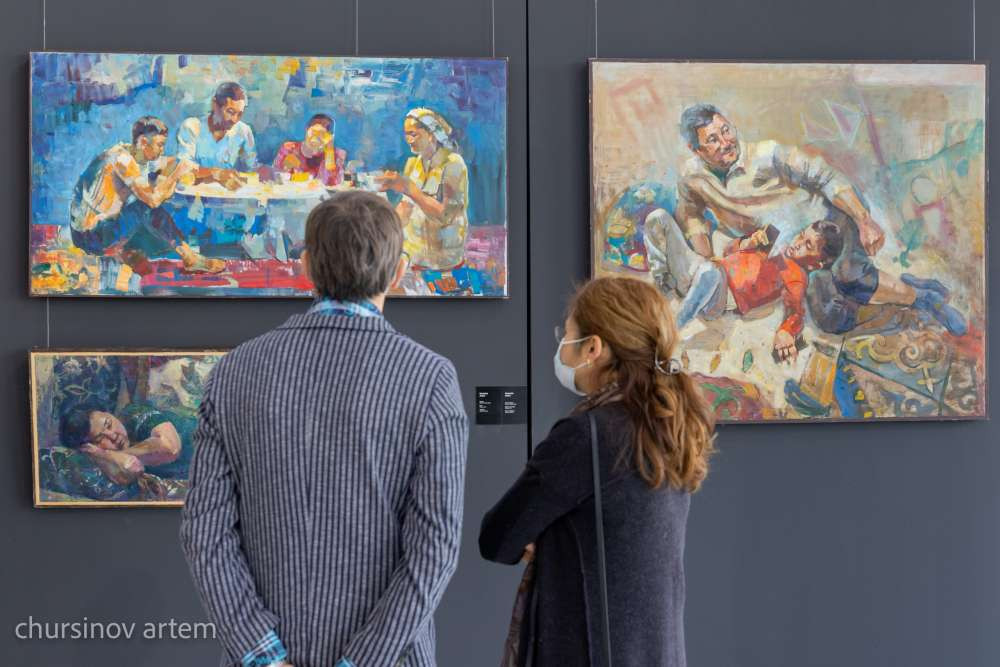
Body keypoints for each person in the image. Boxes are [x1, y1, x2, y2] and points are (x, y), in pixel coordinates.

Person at [180, 191, 468, 667]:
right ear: (399, 272)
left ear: (307, 266)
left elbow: (204, 535)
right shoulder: (430, 379)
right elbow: (435, 550)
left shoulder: (234, 372)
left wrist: (263, 655)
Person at [480, 276, 716, 666]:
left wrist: (541, 536)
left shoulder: (587, 435)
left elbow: (497, 537)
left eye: (567, 334)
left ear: (593, 348)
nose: (562, 346)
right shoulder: (669, 425)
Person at [646, 104, 944, 335]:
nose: (726, 142)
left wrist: (863, 219)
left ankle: (921, 297)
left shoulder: (767, 154)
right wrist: (706, 260)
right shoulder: (691, 176)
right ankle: (900, 286)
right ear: (696, 150)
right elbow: (692, 216)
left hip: (825, 222)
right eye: (713, 139)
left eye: (726, 130)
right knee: (830, 318)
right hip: (790, 246)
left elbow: (826, 176)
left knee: (850, 276)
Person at [69, 116, 224, 274]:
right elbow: (153, 201)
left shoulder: (138, 156)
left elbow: (177, 163)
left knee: (150, 199)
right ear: (143, 142)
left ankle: (187, 256)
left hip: (99, 228)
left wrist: (216, 173)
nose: (162, 150)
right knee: (145, 206)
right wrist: (175, 175)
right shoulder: (121, 159)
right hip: (89, 237)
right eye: (160, 145)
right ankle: (189, 257)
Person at [377, 108, 469, 271]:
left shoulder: (453, 164)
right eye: (406, 134)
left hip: (442, 259)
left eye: (413, 134)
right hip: (412, 255)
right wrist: (383, 229)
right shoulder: (413, 164)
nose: (408, 140)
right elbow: (405, 208)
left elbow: (444, 215)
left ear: (431, 134)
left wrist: (409, 188)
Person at [177, 81, 258, 191]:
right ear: (214, 104)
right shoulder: (192, 127)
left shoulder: (244, 131)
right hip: (195, 195)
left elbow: (251, 170)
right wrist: (216, 173)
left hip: (230, 196)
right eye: (230, 112)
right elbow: (183, 169)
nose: (235, 120)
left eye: (239, 114)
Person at [272, 113, 347, 186]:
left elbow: (334, 183)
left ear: (330, 137)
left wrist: (329, 151)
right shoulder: (289, 149)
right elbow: (276, 176)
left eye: (322, 134)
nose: (315, 137)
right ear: (306, 130)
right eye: (313, 132)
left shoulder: (337, 154)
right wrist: (287, 171)